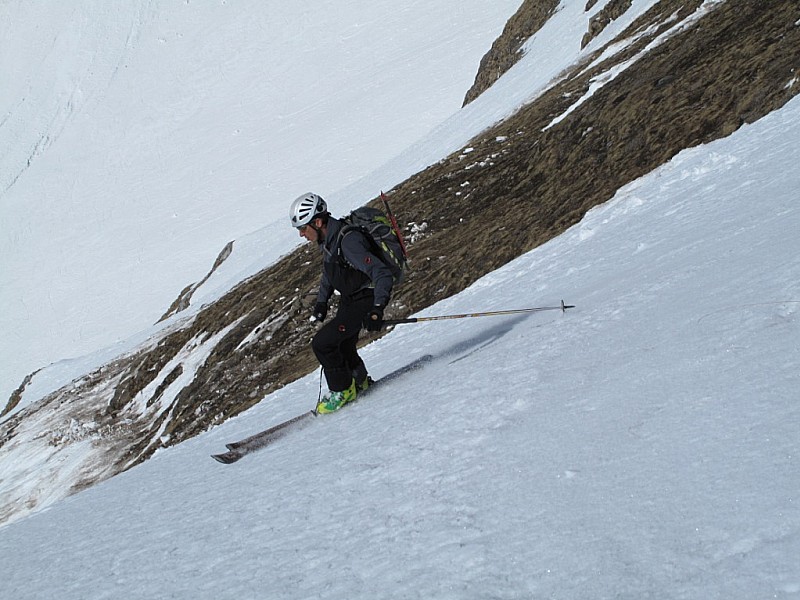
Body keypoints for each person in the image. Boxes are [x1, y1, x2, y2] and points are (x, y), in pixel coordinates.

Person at [290, 192, 394, 414]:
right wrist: (321, 302)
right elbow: (329, 272)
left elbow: (381, 272)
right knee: (343, 344)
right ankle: (360, 381)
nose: (301, 234)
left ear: (318, 222)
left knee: (323, 344)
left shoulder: (349, 242)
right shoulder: (329, 240)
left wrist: (377, 309)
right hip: (350, 298)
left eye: (303, 228)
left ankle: (343, 390)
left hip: (365, 299)